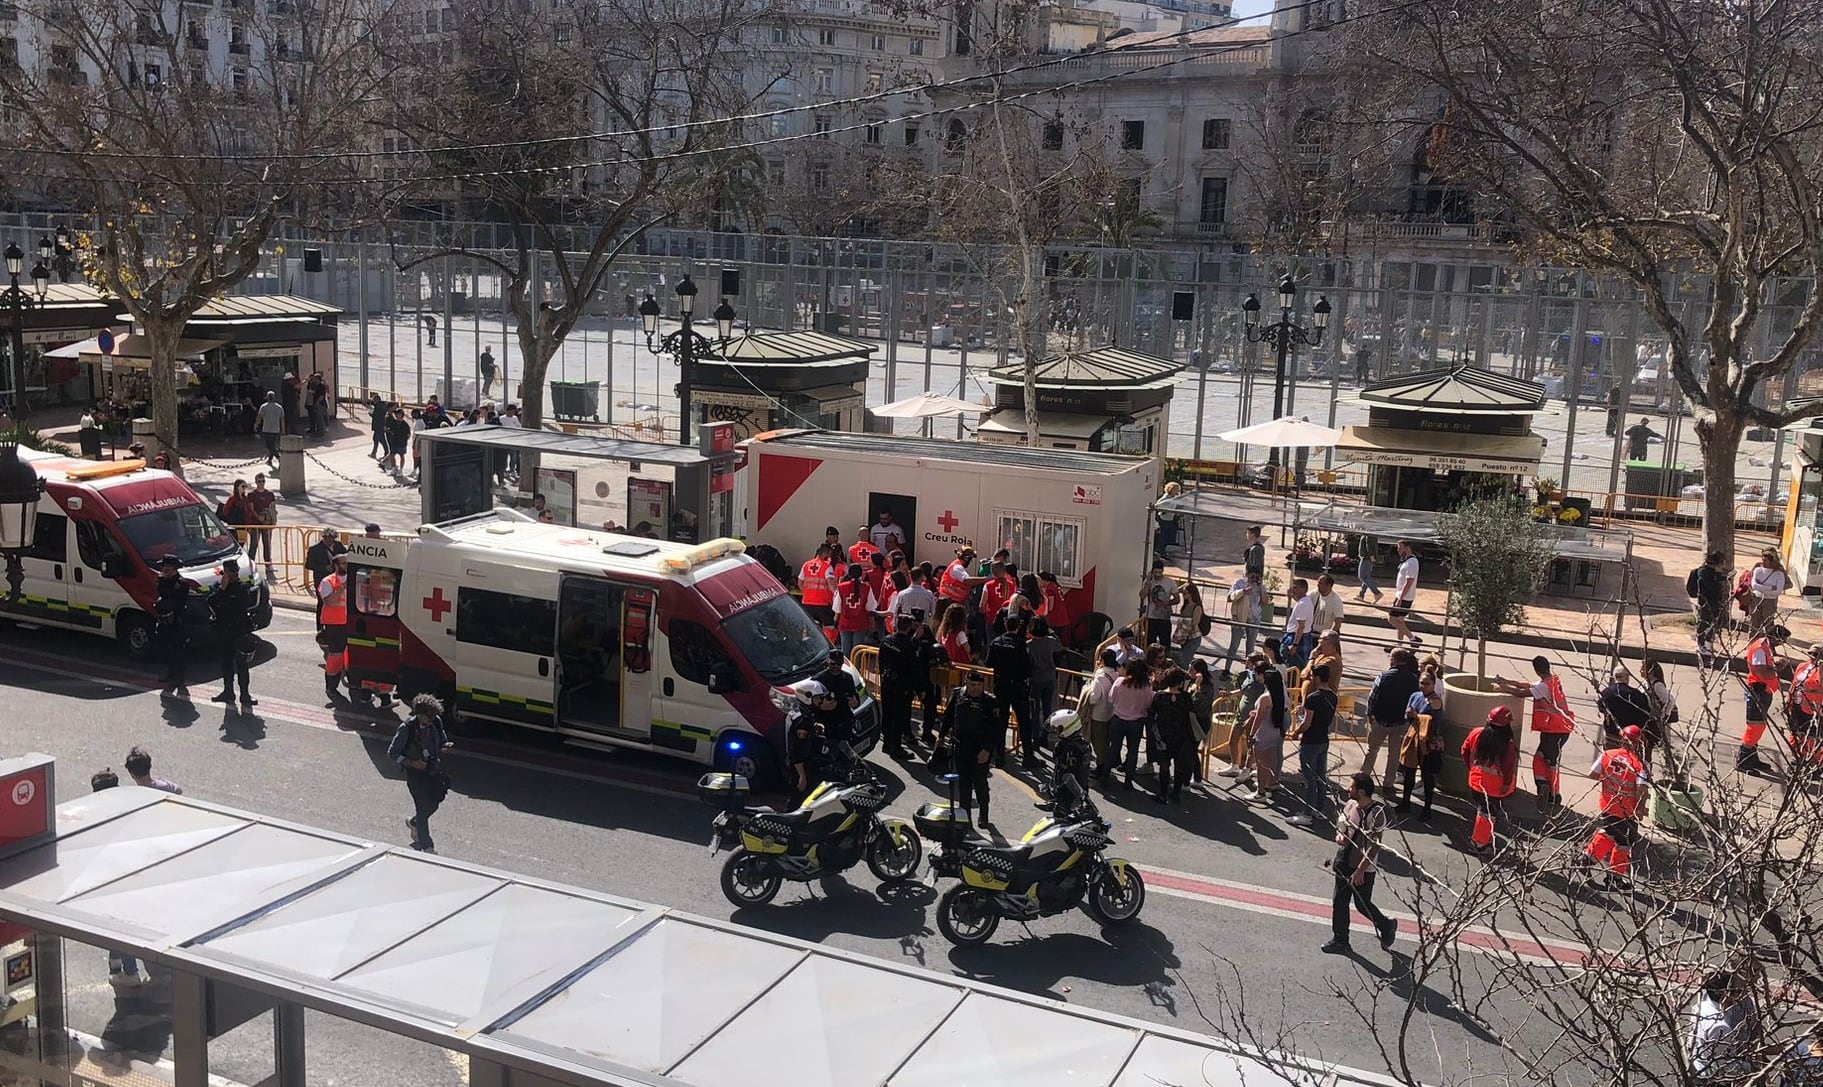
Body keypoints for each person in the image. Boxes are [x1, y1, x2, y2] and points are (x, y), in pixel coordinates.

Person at [1321, 772, 1399, 955]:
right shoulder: (1351, 804)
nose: (1348, 789)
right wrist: (1340, 835)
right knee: (1339, 901)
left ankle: (1387, 925)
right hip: (1344, 860)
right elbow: (1343, 824)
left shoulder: (1376, 814)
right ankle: (1340, 940)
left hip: (1363, 867)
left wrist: (1360, 871)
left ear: (1362, 792)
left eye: (1351, 787)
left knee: (1362, 904)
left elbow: (1374, 846)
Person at [1495, 655, 1576, 813]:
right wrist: (1507, 681)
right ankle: (1549, 790)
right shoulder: (1551, 681)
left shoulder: (1544, 687)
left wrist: (1504, 688)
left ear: (1536, 670)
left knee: (1546, 761)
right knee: (1546, 759)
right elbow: (1527, 685)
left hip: (1555, 729)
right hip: (1559, 728)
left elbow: (1522, 693)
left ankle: (1549, 791)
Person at [1584, 724, 1648, 889]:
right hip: (1627, 810)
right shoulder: (1639, 764)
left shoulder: (1608, 754)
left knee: (1612, 834)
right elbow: (1641, 788)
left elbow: (1593, 774)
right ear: (1639, 743)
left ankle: (1588, 861)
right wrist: (1641, 808)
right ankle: (1610, 875)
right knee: (1624, 841)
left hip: (1607, 804)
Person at [388, 694, 454, 853]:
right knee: (423, 807)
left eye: (433, 718)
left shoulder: (436, 722)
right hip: (416, 774)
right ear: (419, 714)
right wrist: (411, 763)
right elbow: (392, 753)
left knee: (434, 802)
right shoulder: (407, 729)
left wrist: (445, 745)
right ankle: (427, 846)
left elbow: (442, 740)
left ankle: (414, 822)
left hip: (432, 770)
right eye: (428, 718)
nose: (431, 721)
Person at [941, 670, 998, 826]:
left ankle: (984, 814)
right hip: (961, 747)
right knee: (963, 784)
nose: (976, 688)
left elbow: (994, 729)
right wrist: (940, 739)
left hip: (979, 749)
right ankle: (965, 818)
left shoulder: (989, 701)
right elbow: (948, 717)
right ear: (966, 682)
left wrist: (987, 750)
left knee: (980, 783)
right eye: (973, 684)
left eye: (979, 685)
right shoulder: (958, 695)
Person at [1687, 967, 1762, 1083]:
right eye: (1736, 992)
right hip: (1711, 1077)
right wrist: (1751, 1069)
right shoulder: (1720, 1027)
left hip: (1697, 1065)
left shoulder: (1702, 1004)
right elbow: (1723, 1066)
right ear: (1725, 994)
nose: (1740, 996)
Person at [1362, 648, 1422, 793]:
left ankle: (1363, 778)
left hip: (1381, 721)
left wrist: (1369, 714)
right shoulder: (1413, 679)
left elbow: (1372, 697)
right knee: (1394, 754)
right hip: (1401, 723)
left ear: (1393, 659)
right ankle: (1388, 783)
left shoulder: (1383, 676)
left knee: (1372, 750)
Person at [1462, 705, 1520, 854]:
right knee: (1487, 814)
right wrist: (1507, 784)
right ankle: (1479, 844)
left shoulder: (1476, 733)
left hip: (1476, 781)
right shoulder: (1508, 744)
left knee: (1484, 812)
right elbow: (1508, 768)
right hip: (1495, 787)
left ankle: (1483, 840)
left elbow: (1465, 750)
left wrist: (1472, 768)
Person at [1289, 663, 1337, 825]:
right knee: (1321, 777)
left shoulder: (1313, 697)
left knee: (1310, 779)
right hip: (1323, 739)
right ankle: (1319, 809)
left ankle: (1307, 813)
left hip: (1310, 741)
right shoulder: (1333, 696)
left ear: (1316, 677)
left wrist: (1296, 732)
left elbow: (1307, 723)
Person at [209, 559, 257, 710]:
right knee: (226, 663)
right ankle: (228, 691)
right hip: (224, 630)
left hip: (239, 630)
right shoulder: (220, 588)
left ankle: (245, 694)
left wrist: (227, 591)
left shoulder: (241, 587)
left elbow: (241, 604)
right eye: (231, 572)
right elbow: (211, 602)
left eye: (236, 572)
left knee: (242, 664)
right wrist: (222, 589)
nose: (234, 575)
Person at [1740, 625, 1788, 776]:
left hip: (1764, 690)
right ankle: (1743, 760)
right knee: (1754, 726)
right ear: (1774, 637)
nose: (1782, 644)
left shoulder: (1764, 645)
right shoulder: (1760, 649)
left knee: (1759, 726)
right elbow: (1762, 672)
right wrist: (1777, 668)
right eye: (1781, 640)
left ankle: (1752, 758)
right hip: (1758, 690)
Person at [986, 616, 1033, 769]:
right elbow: (1027, 669)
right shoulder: (1021, 644)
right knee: (1024, 722)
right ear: (1018, 627)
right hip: (1018, 687)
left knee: (1001, 721)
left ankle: (999, 756)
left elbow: (989, 663)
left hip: (1001, 686)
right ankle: (1028, 757)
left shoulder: (996, 642)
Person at [1101, 658, 1155, 790]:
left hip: (1118, 719)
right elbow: (1149, 704)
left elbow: (1111, 698)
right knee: (1132, 752)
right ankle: (1128, 781)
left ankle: (1104, 777)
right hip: (1136, 723)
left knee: (1113, 748)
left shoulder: (1120, 682)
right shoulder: (1146, 686)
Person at [1243, 657, 1289, 805]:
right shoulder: (1279, 696)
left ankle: (1260, 792)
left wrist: (1251, 735)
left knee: (1261, 763)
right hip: (1275, 732)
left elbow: (1259, 719)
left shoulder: (1264, 698)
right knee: (1270, 761)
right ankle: (1268, 786)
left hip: (1263, 733)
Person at [1398, 672, 1444, 816]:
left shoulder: (1435, 701)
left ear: (1433, 685)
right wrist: (1409, 714)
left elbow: (1429, 720)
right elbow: (1407, 715)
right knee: (1409, 773)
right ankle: (1405, 802)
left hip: (1428, 741)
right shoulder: (1415, 696)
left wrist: (1416, 715)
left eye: (1427, 684)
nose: (1423, 686)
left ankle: (1427, 809)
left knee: (1427, 777)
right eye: (1422, 683)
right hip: (1413, 738)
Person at [1151, 667, 1198, 804]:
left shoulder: (1159, 696)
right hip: (1181, 736)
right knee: (1179, 765)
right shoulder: (1185, 697)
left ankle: (1162, 794)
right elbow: (1190, 713)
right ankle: (1176, 793)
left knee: (1164, 765)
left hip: (1163, 736)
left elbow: (1153, 715)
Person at [877, 614, 920, 759]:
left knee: (887, 714)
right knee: (899, 716)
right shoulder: (908, 645)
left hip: (886, 681)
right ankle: (896, 747)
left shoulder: (886, 640)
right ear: (908, 627)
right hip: (901, 685)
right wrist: (916, 688)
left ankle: (887, 744)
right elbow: (914, 668)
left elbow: (881, 661)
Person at [153, 555, 190, 692]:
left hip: (176, 620)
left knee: (177, 650)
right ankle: (170, 671)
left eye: (166, 567)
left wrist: (163, 582)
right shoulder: (164, 581)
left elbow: (175, 598)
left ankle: (179, 677)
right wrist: (161, 581)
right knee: (162, 646)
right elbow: (162, 594)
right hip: (164, 619)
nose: (163, 569)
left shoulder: (181, 583)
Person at [1687, 550, 1730, 666]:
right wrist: (1717, 580)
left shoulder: (1712, 572)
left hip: (1714, 602)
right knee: (1705, 622)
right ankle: (1701, 644)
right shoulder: (1704, 572)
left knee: (1714, 623)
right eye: (1720, 563)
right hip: (1706, 603)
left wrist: (1723, 578)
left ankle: (1708, 642)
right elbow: (1710, 586)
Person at [318, 553, 351, 702]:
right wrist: (341, 588)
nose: (346, 565)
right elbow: (329, 602)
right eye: (343, 563)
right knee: (336, 656)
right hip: (335, 625)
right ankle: (331, 687)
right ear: (336, 565)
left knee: (351, 655)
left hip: (351, 623)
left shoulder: (354, 579)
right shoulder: (327, 581)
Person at [1597, 666, 1653, 748]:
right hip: (1631, 736)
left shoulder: (1606, 693)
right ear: (1627, 677)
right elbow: (1645, 714)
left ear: (1614, 677)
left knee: (1612, 757)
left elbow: (1601, 708)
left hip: (1612, 735)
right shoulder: (1636, 694)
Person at [1222, 570, 1264, 677]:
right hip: (1239, 619)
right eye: (1252, 575)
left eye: (1256, 576)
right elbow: (1229, 597)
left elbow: (1265, 601)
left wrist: (1261, 587)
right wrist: (1243, 592)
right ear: (1247, 574)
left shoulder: (1260, 586)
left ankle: (1248, 672)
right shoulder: (1239, 583)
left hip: (1254, 619)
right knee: (1234, 645)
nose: (1254, 578)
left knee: (1250, 647)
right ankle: (1226, 670)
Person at [304, 528, 347, 629]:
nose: (330, 540)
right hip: (322, 579)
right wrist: (324, 568)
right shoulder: (315, 549)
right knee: (321, 603)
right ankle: (320, 627)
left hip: (337, 579)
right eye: (327, 538)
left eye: (332, 538)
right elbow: (309, 565)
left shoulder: (339, 546)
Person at [833, 563, 877, 657]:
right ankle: (856, 670)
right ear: (861, 574)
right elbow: (871, 608)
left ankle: (846, 670)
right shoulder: (866, 588)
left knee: (845, 651)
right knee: (857, 652)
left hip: (844, 623)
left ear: (849, 574)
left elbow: (837, 608)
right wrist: (872, 624)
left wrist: (835, 621)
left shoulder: (841, 587)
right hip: (860, 623)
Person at [1641, 658, 1678, 769]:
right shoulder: (1645, 683)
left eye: (1643, 668)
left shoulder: (1657, 686)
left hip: (1654, 722)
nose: (1640, 670)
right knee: (1645, 747)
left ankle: (1648, 770)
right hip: (1647, 719)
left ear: (1650, 671)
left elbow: (1669, 701)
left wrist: (1663, 716)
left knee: (1648, 748)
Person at [1085, 647, 1119, 768]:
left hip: (1098, 714)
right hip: (1111, 713)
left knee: (1098, 741)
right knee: (1106, 741)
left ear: (1102, 660)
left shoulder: (1100, 678)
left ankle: (1100, 766)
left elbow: (1094, 698)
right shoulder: (1116, 675)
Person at [1027, 615, 1062, 731]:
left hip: (1035, 680)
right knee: (1047, 707)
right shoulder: (1051, 642)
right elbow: (1059, 646)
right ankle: (1045, 734)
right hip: (1050, 678)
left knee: (1035, 710)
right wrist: (1052, 632)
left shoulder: (1029, 645)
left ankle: (1035, 735)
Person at [1140, 558, 1180, 650]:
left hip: (1164, 618)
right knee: (1149, 643)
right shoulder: (1149, 581)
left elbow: (1177, 599)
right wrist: (1148, 582)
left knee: (1165, 643)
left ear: (1162, 571)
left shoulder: (1170, 582)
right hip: (1151, 617)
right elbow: (1142, 596)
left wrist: (1166, 603)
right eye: (1155, 572)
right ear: (1152, 572)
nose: (1157, 575)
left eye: (1159, 572)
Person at [1748, 548, 1788, 637]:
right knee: (1754, 624)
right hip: (1756, 599)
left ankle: (1768, 645)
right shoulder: (1758, 569)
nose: (1763, 562)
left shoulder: (1779, 573)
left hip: (1770, 602)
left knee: (1768, 625)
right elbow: (1754, 585)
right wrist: (1771, 587)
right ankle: (1751, 644)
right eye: (1763, 560)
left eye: (1765, 560)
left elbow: (1777, 591)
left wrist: (1762, 588)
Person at [1387, 540, 1421, 648]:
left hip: (1404, 597)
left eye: (1399, 547)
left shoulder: (1412, 562)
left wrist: (1400, 598)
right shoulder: (1407, 561)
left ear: (1406, 547)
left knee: (1392, 619)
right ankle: (1400, 644)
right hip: (1402, 595)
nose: (1398, 549)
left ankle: (1412, 638)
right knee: (1400, 620)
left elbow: (1409, 581)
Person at [797, 543, 836, 629]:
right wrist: (838, 596)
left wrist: (807, 593)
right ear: (824, 553)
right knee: (829, 628)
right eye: (829, 555)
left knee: (810, 628)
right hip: (823, 603)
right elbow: (831, 585)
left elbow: (800, 583)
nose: (829, 557)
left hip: (807, 602)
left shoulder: (806, 565)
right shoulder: (827, 566)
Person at [1281, 578, 1316, 667]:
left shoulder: (1302, 604)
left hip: (1297, 638)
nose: (1293, 590)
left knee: (1294, 665)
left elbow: (1301, 626)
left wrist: (1294, 644)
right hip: (1301, 636)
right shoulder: (1305, 601)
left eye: (1295, 588)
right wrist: (1291, 596)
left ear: (1303, 589)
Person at [1172, 583, 1207, 668]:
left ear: (1191, 593)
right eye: (1183, 593)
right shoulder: (1185, 605)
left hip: (1193, 637)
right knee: (1182, 658)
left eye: (1186, 593)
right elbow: (1176, 590)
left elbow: (1194, 624)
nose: (1184, 595)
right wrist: (1185, 584)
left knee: (1184, 660)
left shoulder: (1197, 607)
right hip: (1184, 637)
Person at [246, 473, 277, 567]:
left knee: (267, 544)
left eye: (263, 481)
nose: (261, 483)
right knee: (254, 544)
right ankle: (250, 564)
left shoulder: (270, 494)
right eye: (259, 481)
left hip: (266, 523)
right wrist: (258, 517)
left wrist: (270, 519)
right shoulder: (251, 494)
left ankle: (268, 564)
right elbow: (251, 508)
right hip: (255, 523)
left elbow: (273, 508)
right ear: (256, 482)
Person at [254, 391, 285, 468]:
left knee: (269, 445)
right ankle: (270, 459)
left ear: (267, 397)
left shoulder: (264, 406)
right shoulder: (279, 407)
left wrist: (256, 425)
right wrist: (283, 429)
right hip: (275, 429)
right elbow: (282, 419)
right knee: (272, 444)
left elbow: (259, 417)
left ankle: (278, 457)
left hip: (267, 429)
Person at [1355, 535, 1383, 602]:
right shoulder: (1368, 534)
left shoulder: (1368, 534)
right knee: (1366, 577)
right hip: (1367, 558)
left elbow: (1369, 547)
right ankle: (1361, 595)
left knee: (1362, 576)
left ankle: (1377, 593)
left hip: (1366, 559)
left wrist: (1371, 558)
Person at [368, 392, 389, 459]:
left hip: (378, 426)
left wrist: (371, 414)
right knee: (377, 439)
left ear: (377, 400)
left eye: (374, 400)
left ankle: (386, 453)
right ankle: (374, 453)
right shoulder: (383, 406)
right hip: (381, 426)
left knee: (381, 440)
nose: (373, 402)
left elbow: (376, 416)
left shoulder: (378, 407)